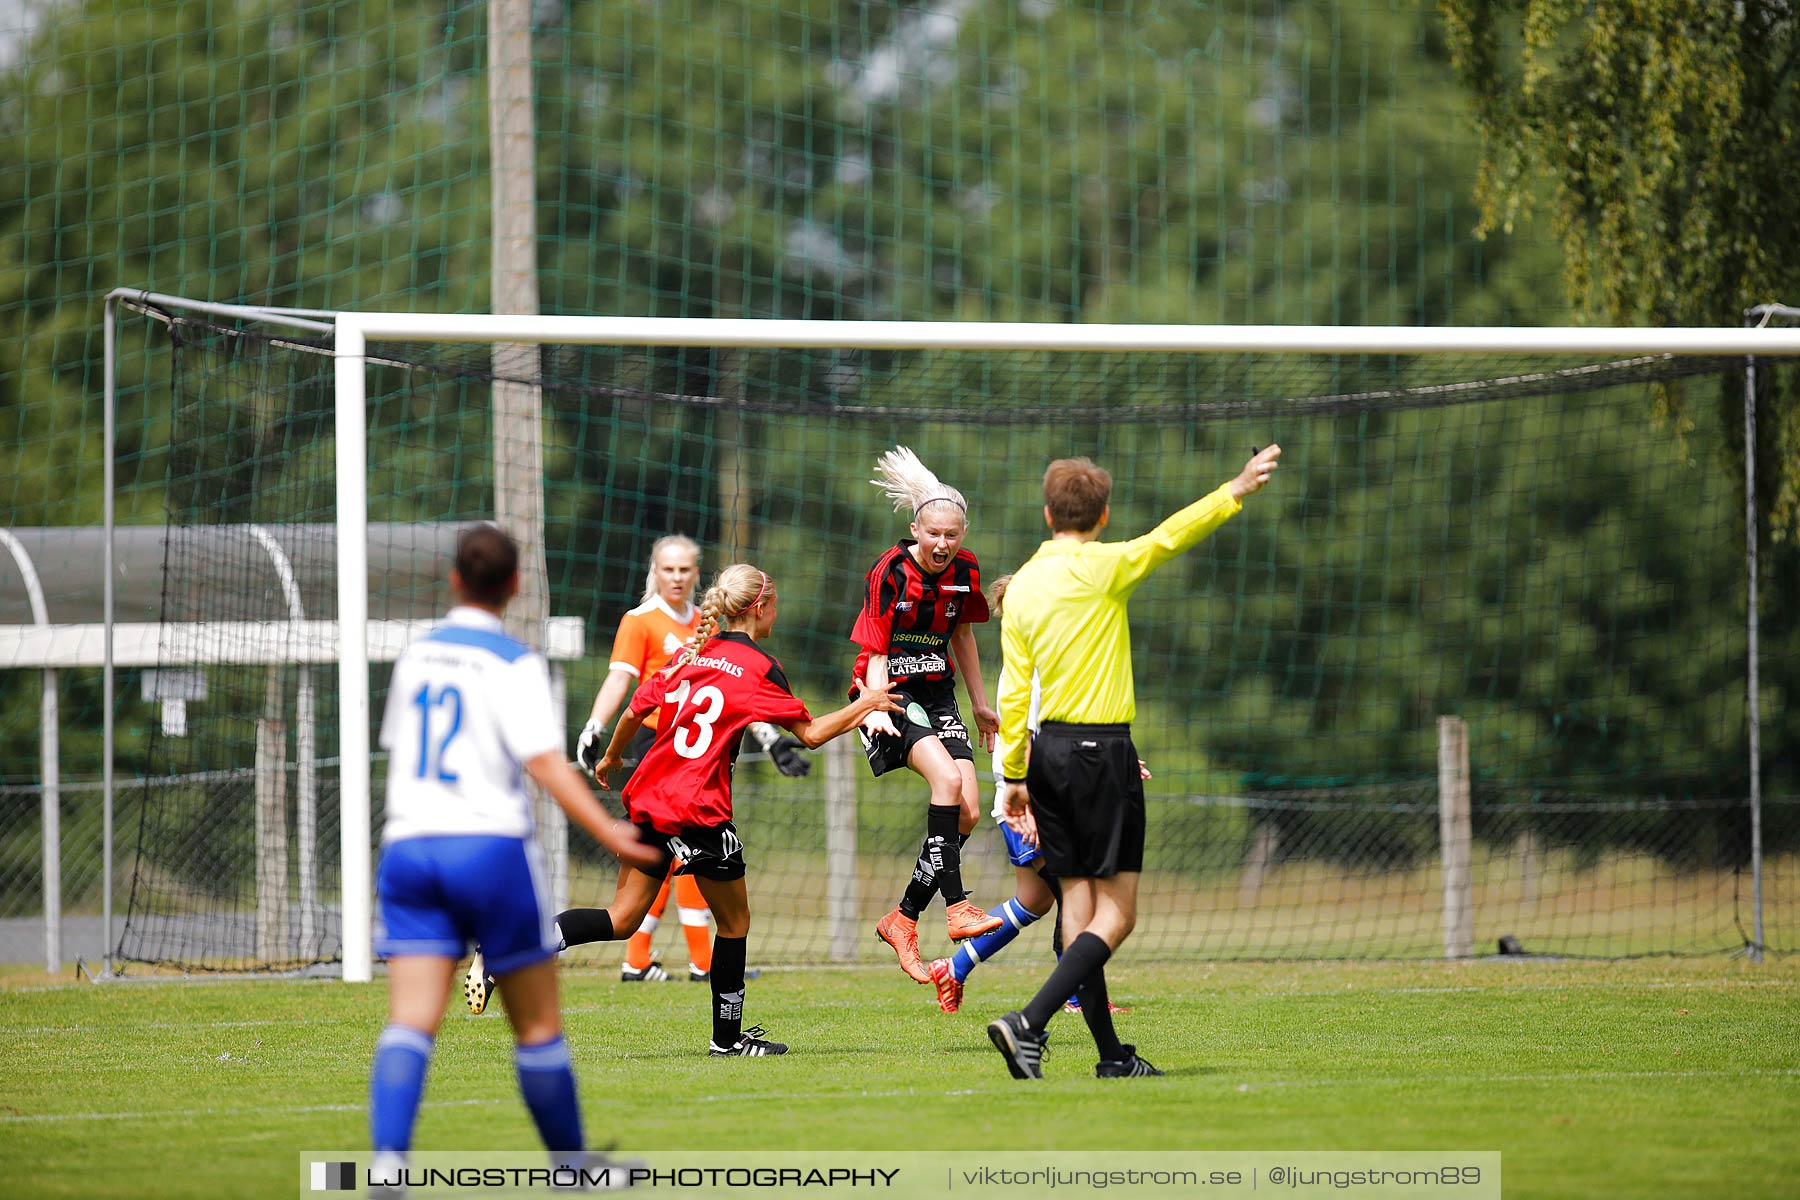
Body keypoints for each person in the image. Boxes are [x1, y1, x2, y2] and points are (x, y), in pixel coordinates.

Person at [370, 524, 661, 1186]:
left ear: (453, 580)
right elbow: (545, 765)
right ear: (515, 585)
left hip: (410, 848)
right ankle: (571, 1169)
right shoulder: (513, 662)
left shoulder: (416, 656)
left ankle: (389, 1168)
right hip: (488, 849)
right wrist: (610, 833)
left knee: (411, 1022)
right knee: (536, 1028)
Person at [986, 446, 1281, 1080]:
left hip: (1045, 756)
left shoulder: (1026, 581)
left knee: (1079, 911)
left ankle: (1112, 1057)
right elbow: (1171, 535)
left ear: (1047, 512)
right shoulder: (1105, 566)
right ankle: (1028, 1021)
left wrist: (1013, 777)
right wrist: (1234, 488)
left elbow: (1013, 690)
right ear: (1103, 515)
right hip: (1101, 752)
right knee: (1119, 914)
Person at [569, 563, 898, 1055]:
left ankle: (514, 944)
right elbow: (810, 735)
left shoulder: (691, 650)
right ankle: (727, 1040)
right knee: (736, 923)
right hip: (699, 809)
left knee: (621, 920)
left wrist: (615, 755)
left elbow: (638, 708)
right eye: (775, 604)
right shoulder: (760, 666)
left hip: (650, 797)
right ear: (761, 608)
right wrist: (867, 703)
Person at [562, 535, 807, 990]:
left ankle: (680, 960)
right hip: (656, 747)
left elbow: (733, 696)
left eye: (684, 570)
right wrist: (596, 727)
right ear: (653, 572)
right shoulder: (641, 620)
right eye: (668, 569)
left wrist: (770, 738)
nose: (676, 577)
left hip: (700, 748)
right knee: (694, 860)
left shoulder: (709, 623)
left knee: (671, 870)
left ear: (699, 576)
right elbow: (625, 681)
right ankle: (679, 964)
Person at [925, 574, 1134, 1017]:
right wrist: (1026, 806)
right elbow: (1020, 743)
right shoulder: (1030, 667)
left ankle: (954, 967)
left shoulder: (1050, 660)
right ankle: (1078, 995)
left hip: (1044, 800)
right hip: (1028, 805)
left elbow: (1074, 731)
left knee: (1036, 900)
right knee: (1077, 895)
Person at [853, 447, 1005, 985]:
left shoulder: (965, 570)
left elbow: (962, 634)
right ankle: (958, 905)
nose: (942, 544)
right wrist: (872, 706)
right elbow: (873, 647)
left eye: (952, 534)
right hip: (890, 692)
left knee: (967, 813)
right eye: (933, 533)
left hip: (939, 696)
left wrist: (981, 703)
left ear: (962, 533)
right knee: (944, 781)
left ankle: (903, 918)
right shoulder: (889, 572)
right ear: (915, 527)